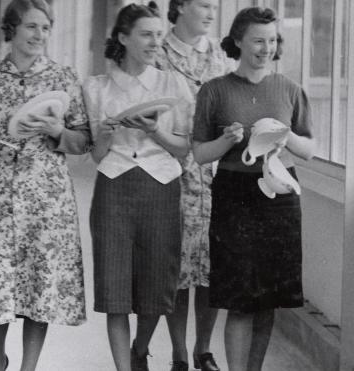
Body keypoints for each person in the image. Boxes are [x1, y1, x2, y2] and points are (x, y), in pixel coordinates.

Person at [0, 0, 91, 370]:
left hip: (47, 198)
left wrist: (58, 132)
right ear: (12, 29)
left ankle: (29, 365)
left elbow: (83, 142)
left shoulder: (63, 79)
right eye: (32, 27)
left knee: (42, 282)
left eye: (46, 28)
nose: (40, 35)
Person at [192, 7, 315, 371]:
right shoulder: (214, 90)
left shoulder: (291, 89)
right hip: (234, 195)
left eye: (273, 40)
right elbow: (199, 154)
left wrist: (284, 133)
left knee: (269, 300)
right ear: (238, 42)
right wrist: (225, 140)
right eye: (258, 40)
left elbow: (308, 150)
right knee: (240, 298)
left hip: (280, 196)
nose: (266, 47)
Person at [82, 3, 192, 371]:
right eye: (146, 34)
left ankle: (140, 347)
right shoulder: (96, 87)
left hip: (161, 187)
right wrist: (103, 136)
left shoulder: (172, 85)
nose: (155, 42)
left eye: (159, 34)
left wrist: (154, 131)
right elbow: (98, 156)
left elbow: (183, 150)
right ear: (123, 38)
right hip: (114, 189)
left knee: (156, 288)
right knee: (115, 290)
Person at [154, 1, 234, 370]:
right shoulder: (159, 53)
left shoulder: (222, 55)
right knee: (177, 268)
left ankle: (203, 349)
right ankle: (178, 352)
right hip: (170, 172)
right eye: (203, 3)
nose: (210, 11)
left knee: (213, 267)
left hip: (219, 175)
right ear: (181, 6)